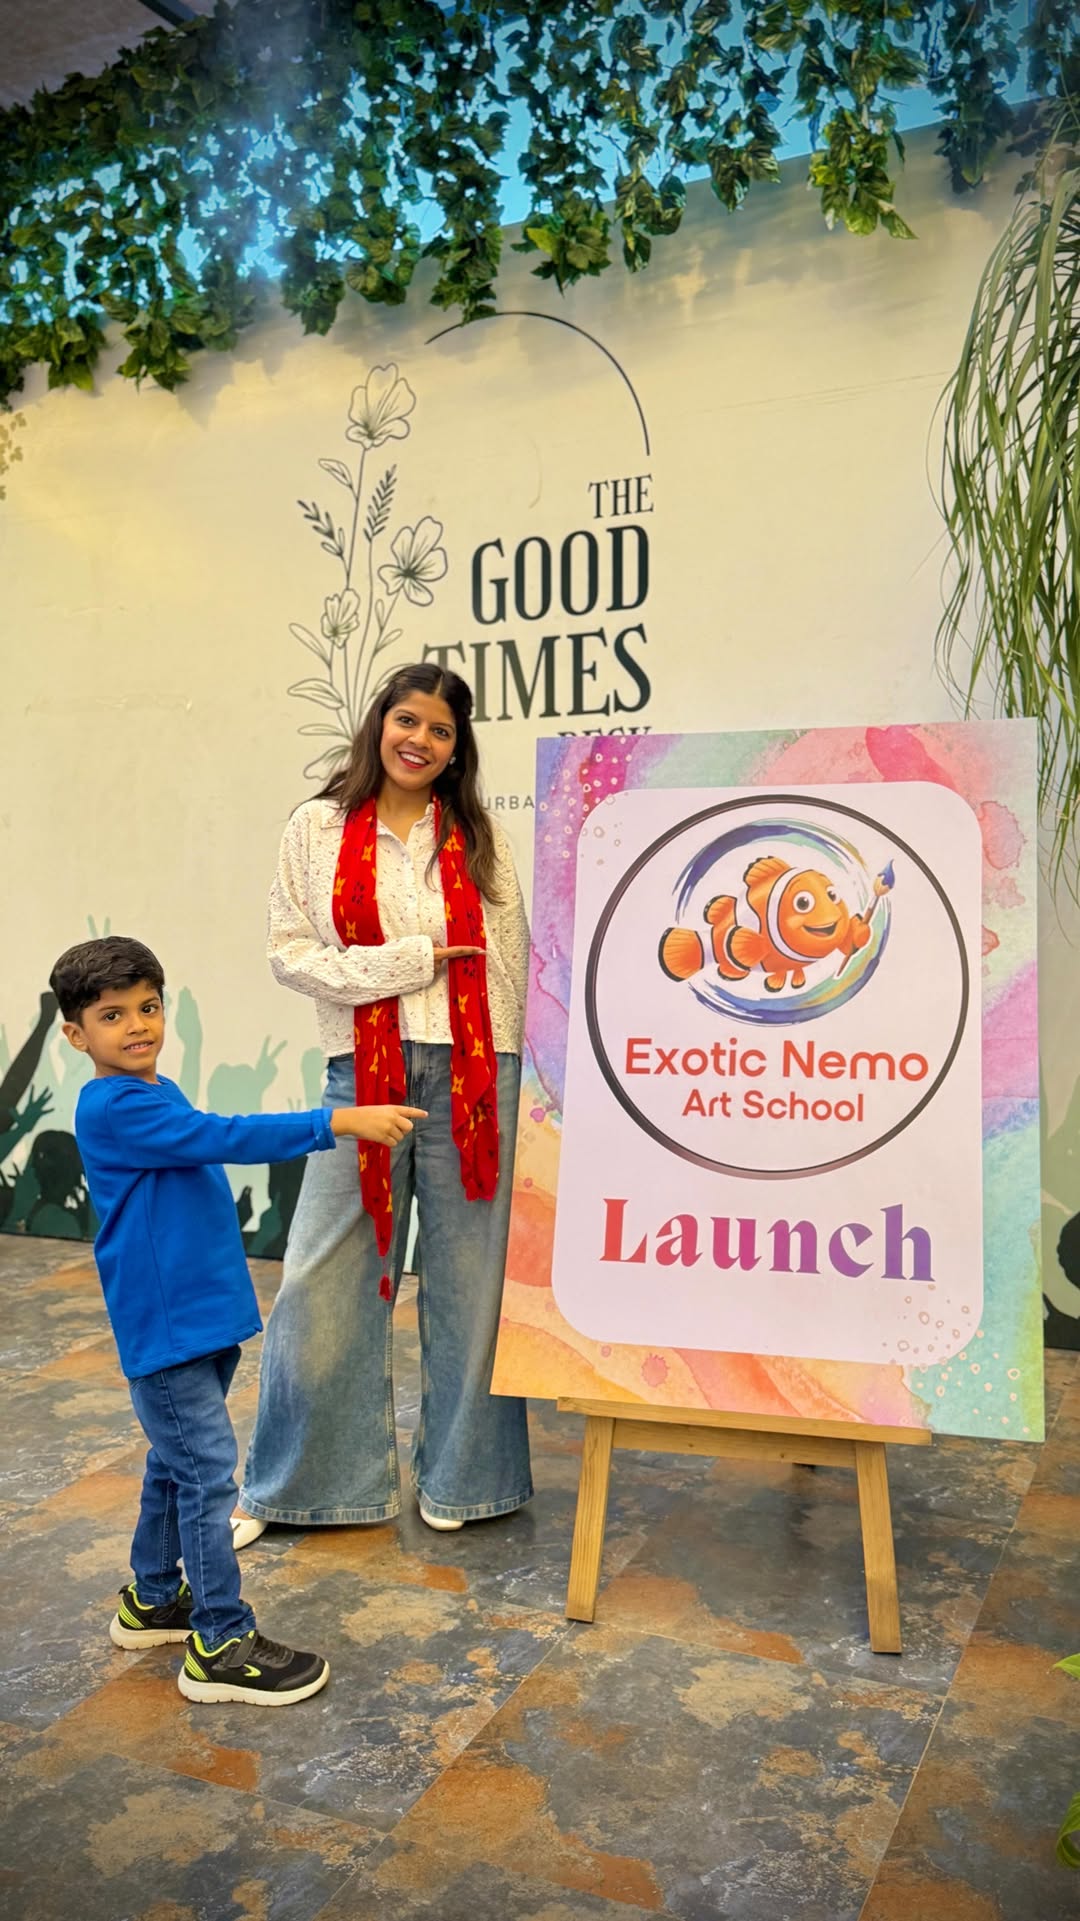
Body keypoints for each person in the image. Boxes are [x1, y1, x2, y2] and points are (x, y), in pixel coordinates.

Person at [50, 934, 424, 1707]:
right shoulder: (115, 1106)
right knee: (205, 1473)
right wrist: (337, 1120)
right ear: (75, 1035)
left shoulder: (151, 1089)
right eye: (112, 1015)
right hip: (168, 1328)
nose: (138, 1025)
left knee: (176, 1461)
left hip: (199, 1319)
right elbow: (222, 1135)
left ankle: (154, 1597)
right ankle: (220, 1641)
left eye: (148, 1006)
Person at [235, 660, 532, 1544]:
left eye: (441, 730)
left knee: (472, 1282)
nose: (421, 740)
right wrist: (409, 962)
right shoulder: (318, 826)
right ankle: (301, 1485)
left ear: (456, 748)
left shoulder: (474, 832)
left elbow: (509, 957)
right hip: (363, 1072)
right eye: (408, 720)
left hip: (476, 1073)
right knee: (321, 1275)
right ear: (379, 723)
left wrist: (519, 1072)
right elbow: (289, 951)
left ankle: (467, 1478)